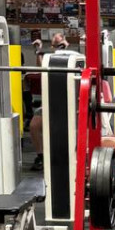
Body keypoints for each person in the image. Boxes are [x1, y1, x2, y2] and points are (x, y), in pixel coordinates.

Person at [28, 31, 70, 171]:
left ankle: (68, 156)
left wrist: (64, 49)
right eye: (53, 45)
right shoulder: (48, 56)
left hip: (67, 101)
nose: (55, 47)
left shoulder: (71, 55)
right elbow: (42, 70)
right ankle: (41, 157)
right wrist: (38, 50)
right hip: (49, 100)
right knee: (34, 126)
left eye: (58, 44)